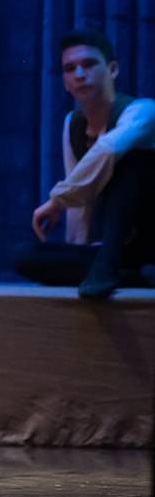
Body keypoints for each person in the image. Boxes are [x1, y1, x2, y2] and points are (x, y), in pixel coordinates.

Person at [15, 29, 155, 299]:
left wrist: (58, 200)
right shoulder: (73, 124)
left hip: (148, 236)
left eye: (89, 64)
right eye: (70, 69)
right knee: (24, 256)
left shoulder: (143, 110)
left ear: (112, 70)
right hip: (118, 250)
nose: (79, 74)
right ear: (65, 81)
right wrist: (79, 249)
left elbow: (107, 150)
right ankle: (130, 273)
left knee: (124, 162)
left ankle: (111, 264)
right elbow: (81, 205)